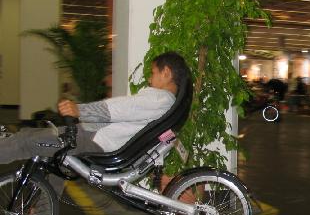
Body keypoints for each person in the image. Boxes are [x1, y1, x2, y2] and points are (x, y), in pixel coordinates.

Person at [0, 51, 189, 192]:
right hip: (93, 135)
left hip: (96, 141)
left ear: (166, 73)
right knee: (48, 155)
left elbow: (122, 108)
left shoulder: (160, 99)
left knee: (26, 141)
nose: (149, 78)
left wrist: (80, 110)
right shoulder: (163, 102)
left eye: (153, 73)